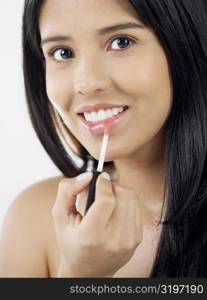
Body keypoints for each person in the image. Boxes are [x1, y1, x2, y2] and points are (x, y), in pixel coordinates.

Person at [0, 0, 207, 278]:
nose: (86, 82)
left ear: (188, 45)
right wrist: (81, 274)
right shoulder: (32, 219)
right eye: (62, 53)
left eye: (121, 42)